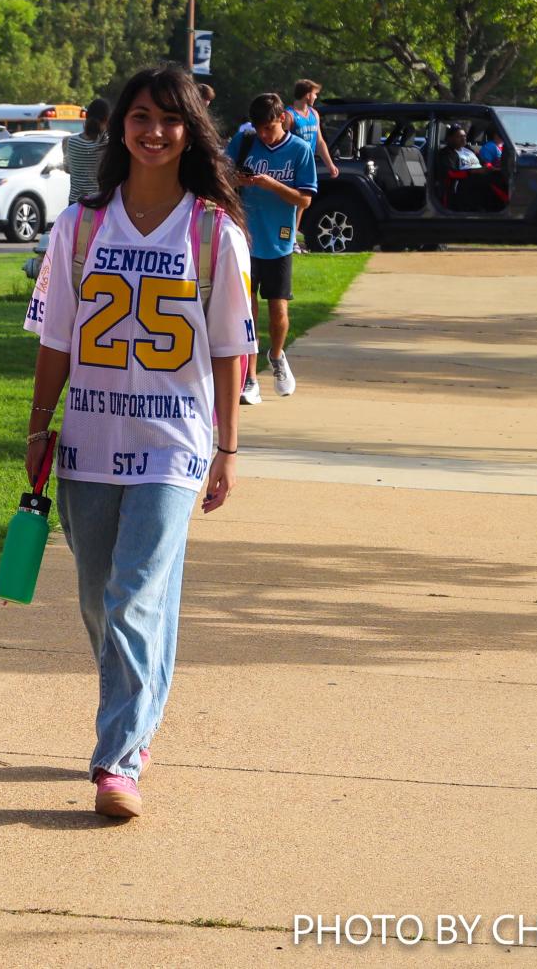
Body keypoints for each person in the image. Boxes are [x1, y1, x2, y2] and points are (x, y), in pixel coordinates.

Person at [22, 63, 256, 819]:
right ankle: (142, 715)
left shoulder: (213, 231)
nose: (154, 132)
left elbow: (229, 349)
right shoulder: (80, 225)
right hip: (89, 437)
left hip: (174, 441)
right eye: (140, 118)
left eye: (169, 119)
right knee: (100, 598)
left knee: (131, 596)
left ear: (191, 131)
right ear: (118, 127)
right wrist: (37, 426)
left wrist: (225, 448)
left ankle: (116, 759)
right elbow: (55, 337)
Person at [225, 94, 317, 402]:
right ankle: (250, 378)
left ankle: (276, 356)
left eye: (268, 127)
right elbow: (223, 174)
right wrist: (236, 179)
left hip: (279, 240)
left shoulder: (300, 151)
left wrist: (270, 184)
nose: (263, 134)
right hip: (244, 237)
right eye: (258, 128)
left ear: (281, 119)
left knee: (278, 309)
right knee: (246, 311)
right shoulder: (245, 141)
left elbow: (304, 199)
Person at [287, 80, 339, 254]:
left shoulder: (314, 114)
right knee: (290, 203)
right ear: (307, 94)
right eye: (315, 93)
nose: (316, 97)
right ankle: (289, 239)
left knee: (303, 202)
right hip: (292, 165)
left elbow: (319, 142)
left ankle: (293, 237)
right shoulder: (289, 116)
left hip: (308, 165)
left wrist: (330, 164)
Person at [63, 97, 111, 205]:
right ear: (107, 120)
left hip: (75, 204)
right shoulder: (107, 144)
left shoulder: (69, 141)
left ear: (86, 116)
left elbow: (67, 169)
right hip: (98, 203)